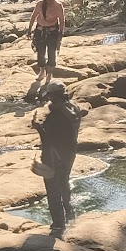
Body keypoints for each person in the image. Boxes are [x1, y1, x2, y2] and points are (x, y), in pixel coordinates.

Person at [35, 82, 81, 235]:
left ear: (53, 96)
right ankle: (69, 212)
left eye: (49, 96)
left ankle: (58, 225)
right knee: (64, 181)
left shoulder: (56, 115)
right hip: (70, 152)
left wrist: (38, 127)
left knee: (53, 189)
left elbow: (48, 138)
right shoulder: (73, 108)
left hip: (54, 156)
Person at [28, 0, 67, 98]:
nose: (50, 2)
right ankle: (42, 71)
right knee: (40, 52)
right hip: (40, 30)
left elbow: (62, 19)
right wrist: (29, 28)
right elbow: (34, 16)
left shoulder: (58, 6)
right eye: (48, 0)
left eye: (51, 0)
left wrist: (61, 32)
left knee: (51, 52)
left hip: (52, 31)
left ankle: (49, 73)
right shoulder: (40, 3)